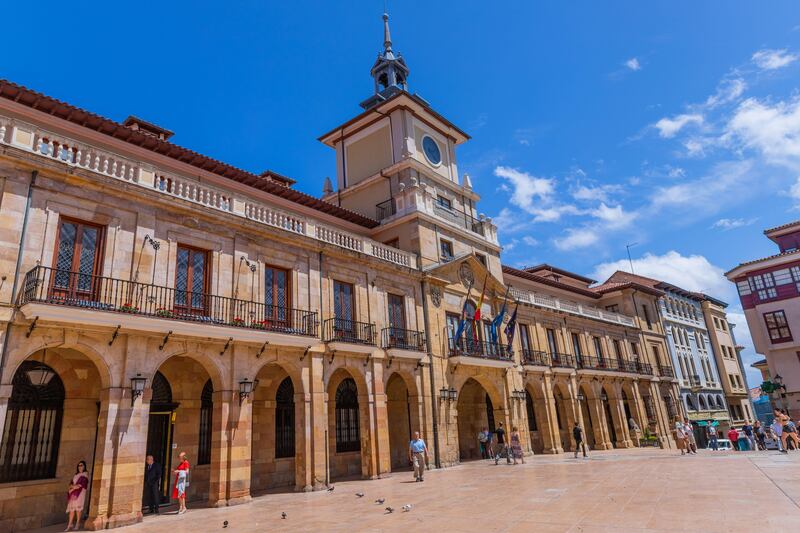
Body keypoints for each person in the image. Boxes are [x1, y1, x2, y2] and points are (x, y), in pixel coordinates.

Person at [65, 460, 89, 531]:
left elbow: (82, 485)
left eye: (81, 465)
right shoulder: (75, 475)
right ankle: (69, 525)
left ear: (84, 466)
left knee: (78, 509)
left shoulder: (85, 474)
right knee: (72, 509)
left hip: (80, 493)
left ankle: (77, 523)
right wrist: (72, 487)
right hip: (73, 493)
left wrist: (73, 487)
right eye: (79, 465)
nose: (80, 467)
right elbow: (70, 484)